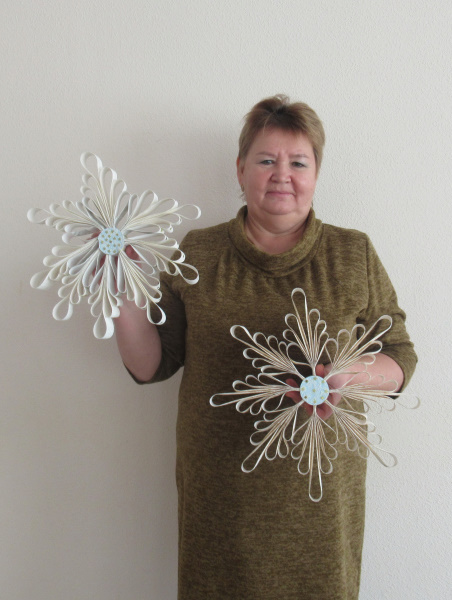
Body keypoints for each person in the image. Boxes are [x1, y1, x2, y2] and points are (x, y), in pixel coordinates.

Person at [114, 95, 417, 600]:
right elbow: (154, 364)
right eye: (266, 160)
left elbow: (400, 356)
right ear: (240, 169)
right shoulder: (199, 252)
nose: (282, 175)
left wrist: (347, 376)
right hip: (220, 500)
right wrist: (119, 293)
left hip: (321, 503)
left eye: (298, 162)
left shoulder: (352, 253)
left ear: (316, 173)